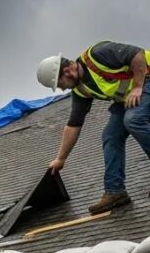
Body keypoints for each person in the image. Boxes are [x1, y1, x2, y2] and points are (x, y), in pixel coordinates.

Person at [37, 42, 150, 214]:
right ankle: (115, 191)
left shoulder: (97, 55)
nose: (61, 89)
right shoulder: (81, 89)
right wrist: (60, 159)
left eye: (60, 84)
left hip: (145, 80)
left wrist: (137, 87)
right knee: (111, 135)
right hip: (131, 96)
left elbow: (137, 55)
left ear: (67, 72)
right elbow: (74, 124)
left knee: (133, 119)